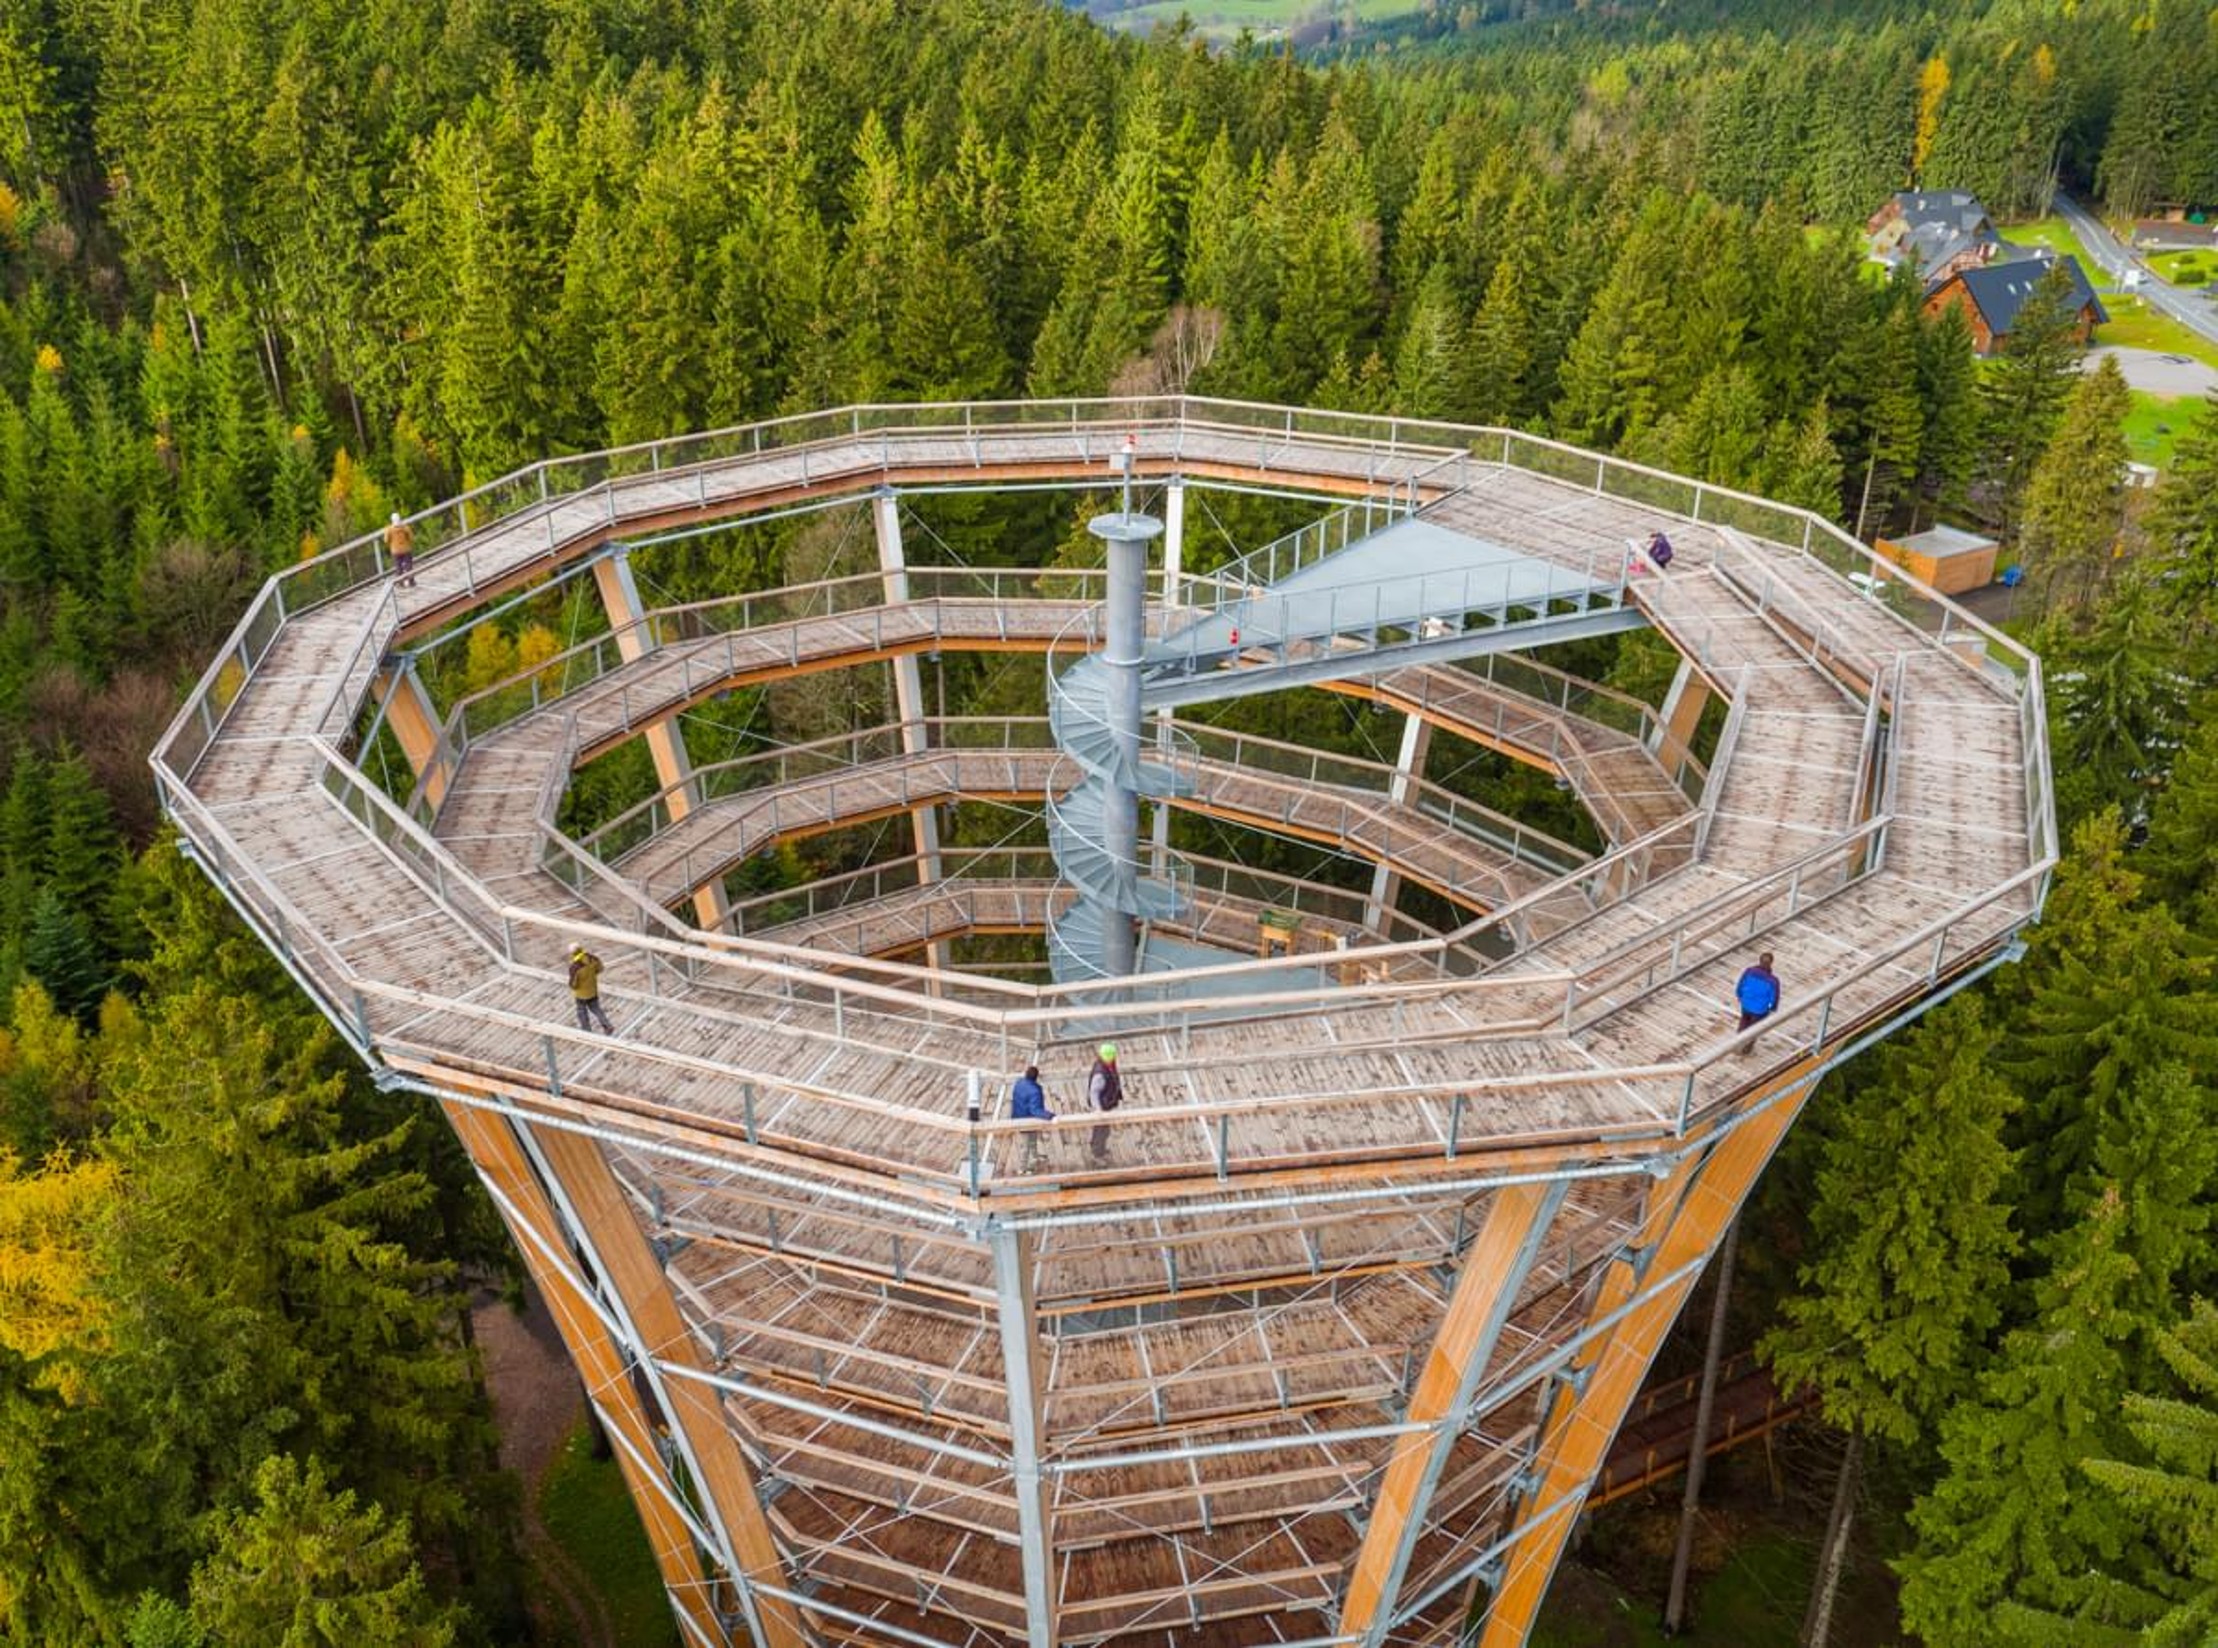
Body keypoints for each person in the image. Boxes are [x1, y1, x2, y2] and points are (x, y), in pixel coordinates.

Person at [1734, 952, 1780, 1054]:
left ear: (1759, 960)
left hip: (1746, 1004)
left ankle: (1737, 1042)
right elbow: (1774, 998)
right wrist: (1771, 1008)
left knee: (1744, 1021)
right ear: (1771, 963)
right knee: (1754, 1028)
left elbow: (1740, 985)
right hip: (1760, 1010)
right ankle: (1746, 1048)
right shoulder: (1773, 981)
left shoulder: (1749, 971)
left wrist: (1740, 996)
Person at [1011, 1064, 1054, 1172]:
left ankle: (1034, 1158)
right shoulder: (1035, 1091)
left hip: (1018, 1116)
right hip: (1028, 1120)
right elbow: (1035, 1110)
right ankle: (1022, 1168)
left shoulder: (1019, 1083)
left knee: (1030, 1141)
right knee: (1026, 1145)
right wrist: (1050, 1116)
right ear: (1036, 1077)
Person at [1086, 1043, 1122, 1164]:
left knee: (1103, 1130)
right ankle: (1097, 1154)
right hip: (1102, 1106)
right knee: (1101, 1130)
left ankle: (1098, 1149)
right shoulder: (1100, 1074)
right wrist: (1098, 1110)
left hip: (1106, 1103)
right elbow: (1094, 1092)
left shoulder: (1105, 1066)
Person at [569, 944, 614, 1034]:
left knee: (582, 1012)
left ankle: (586, 1030)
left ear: (572, 954)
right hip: (593, 991)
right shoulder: (592, 958)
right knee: (596, 1009)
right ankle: (607, 1025)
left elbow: (573, 984)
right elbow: (600, 968)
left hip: (581, 994)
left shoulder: (575, 967)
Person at [386, 511, 417, 588]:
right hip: (406, 549)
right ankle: (411, 582)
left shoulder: (389, 529)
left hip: (395, 551)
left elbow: (386, 540)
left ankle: (401, 583)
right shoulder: (405, 528)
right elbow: (411, 538)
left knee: (398, 567)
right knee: (409, 566)